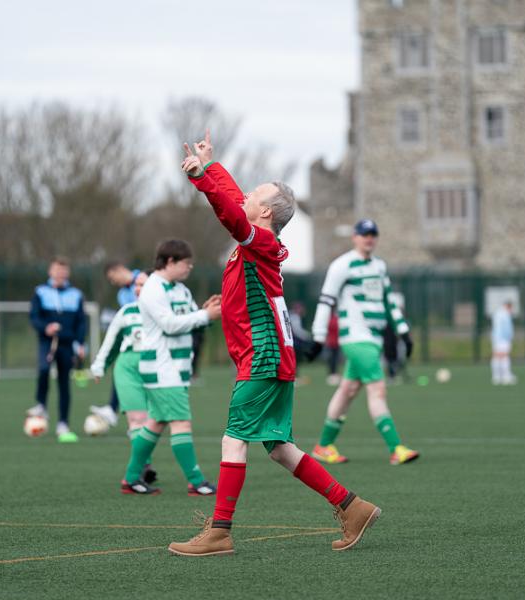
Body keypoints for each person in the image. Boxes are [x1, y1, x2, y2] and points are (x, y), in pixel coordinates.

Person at [168, 131, 380, 557]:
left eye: (254, 195)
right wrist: (211, 167)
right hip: (275, 355)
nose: (244, 195)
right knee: (280, 448)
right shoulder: (259, 240)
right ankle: (351, 506)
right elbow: (233, 200)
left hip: (263, 355)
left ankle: (220, 532)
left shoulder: (257, 239)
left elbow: (230, 212)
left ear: (264, 211)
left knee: (233, 439)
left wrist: (202, 179)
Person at [306, 220, 419, 466]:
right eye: (364, 234)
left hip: (373, 339)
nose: (369, 238)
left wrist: (404, 332)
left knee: (348, 390)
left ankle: (323, 446)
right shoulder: (342, 265)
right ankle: (395, 448)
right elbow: (326, 301)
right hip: (356, 338)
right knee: (377, 390)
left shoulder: (379, 266)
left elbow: (389, 301)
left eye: (373, 234)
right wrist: (318, 336)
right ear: (355, 237)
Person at [121, 240, 221, 495]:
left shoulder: (181, 290)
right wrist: (203, 316)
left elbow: (188, 322)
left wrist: (206, 313)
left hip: (176, 368)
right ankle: (196, 482)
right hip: (161, 367)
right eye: (186, 263)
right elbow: (169, 324)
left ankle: (132, 478)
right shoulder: (153, 288)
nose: (190, 267)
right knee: (181, 422)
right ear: (170, 262)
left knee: (156, 423)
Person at [90, 272, 159, 488]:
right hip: (128, 369)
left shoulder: (163, 312)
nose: (139, 289)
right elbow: (111, 340)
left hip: (158, 370)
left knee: (153, 420)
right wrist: (99, 366)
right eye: (137, 285)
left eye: (144, 285)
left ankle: (141, 466)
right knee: (137, 419)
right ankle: (143, 467)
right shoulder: (127, 312)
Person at [27, 256, 86, 443]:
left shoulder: (76, 294)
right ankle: (41, 405)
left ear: (67, 273)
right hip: (47, 341)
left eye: (63, 271)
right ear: (50, 272)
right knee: (44, 369)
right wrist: (46, 327)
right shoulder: (41, 292)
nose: (60, 274)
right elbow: (34, 316)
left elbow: (81, 322)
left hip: (67, 344)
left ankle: (63, 424)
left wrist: (80, 343)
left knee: (64, 384)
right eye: (57, 271)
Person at [90, 262, 142, 426]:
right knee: (123, 369)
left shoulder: (144, 278)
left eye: (113, 278)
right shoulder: (122, 294)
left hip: (154, 339)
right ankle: (115, 410)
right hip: (135, 340)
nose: (113, 282)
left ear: (119, 270)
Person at [491, 301, 516, 385]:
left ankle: (496, 376)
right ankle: (506, 376)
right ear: (508, 307)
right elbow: (507, 329)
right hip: (503, 338)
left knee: (497, 356)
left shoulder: (497, 313)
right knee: (504, 356)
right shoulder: (505, 315)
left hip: (496, 338)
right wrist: (509, 337)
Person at [325, 312, 342, 386]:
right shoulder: (335, 320)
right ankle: (333, 373)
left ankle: (332, 373)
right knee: (334, 359)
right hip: (335, 342)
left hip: (331, 341)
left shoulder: (330, 319)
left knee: (332, 358)